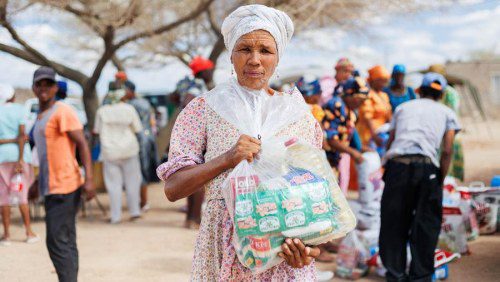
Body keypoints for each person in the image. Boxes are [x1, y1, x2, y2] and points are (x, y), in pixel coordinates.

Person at [156, 5, 322, 280]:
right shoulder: (203, 109)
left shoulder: (300, 117)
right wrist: (227, 159)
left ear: (277, 58)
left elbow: (316, 196)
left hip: (282, 253)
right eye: (245, 49)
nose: (254, 60)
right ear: (231, 54)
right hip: (224, 249)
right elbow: (173, 189)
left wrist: (308, 250)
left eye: (265, 51)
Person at [379, 72, 461, 281]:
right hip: (426, 169)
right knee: (425, 224)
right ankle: (420, 276)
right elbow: (448, 150)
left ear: (419, 90)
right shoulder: (447, 112)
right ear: (441, 94)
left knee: (393, 221)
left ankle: (395, 274)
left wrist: (385, 166)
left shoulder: (403, 108)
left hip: (398, 166)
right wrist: (439, 179)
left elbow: (392, 140)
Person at [31, 66, 95, 282]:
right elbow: (47, 153)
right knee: (66, 240)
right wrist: (38, 181)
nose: (43, 88)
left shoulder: (63, 111)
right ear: (33, 87)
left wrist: (90, 179)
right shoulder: (41, 116)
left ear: (55, 87)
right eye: (39, 84)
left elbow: (83, 145)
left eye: (48, 84)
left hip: (65, 186)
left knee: (56, 242)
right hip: (51, 185)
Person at [174, 56, 215, 228]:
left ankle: (190, 218)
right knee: (199, 177)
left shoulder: (191, 84)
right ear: (202, 71)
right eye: (209, 69)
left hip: (190, 135)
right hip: (197, 135)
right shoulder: (196, 86)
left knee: (193, 173)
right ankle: (195, 219)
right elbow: (187, 102)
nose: (211, 72)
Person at [94, 89, 142, 224]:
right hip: (129, 149)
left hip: (110, 151)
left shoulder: (102, 110)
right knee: (133, 182)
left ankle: (116, 216)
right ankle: (135, 212)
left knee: (113, 185)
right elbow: (137, 129)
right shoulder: (129, 108)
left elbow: (96, 131)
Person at [0, 83, 38, 246]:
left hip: (2, 157)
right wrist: (20, 159)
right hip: (19, 158)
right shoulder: (20, 109)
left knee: (4, 196)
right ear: (13, 96)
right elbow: (22, 136)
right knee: (21, 195)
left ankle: (6, 235)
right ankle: (29, 232)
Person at [323, 77, 369, 193]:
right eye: (360, 99)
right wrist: (353, 153)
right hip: (326, 159)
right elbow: (330, 139)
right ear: (349, 95)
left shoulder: (351, 111)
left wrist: (361, 149)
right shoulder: (335, 105)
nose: (362, 103)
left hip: (336, 158)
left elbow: (348, 136)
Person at [124, 81, 158, 212]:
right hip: (148, 138)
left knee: (139, 171)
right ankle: (143, 201)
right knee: (143, 169)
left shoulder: (130, 105)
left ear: (130, 90)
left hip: (138, 139)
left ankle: (142, 202)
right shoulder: (144, 102)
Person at [357, 65, 392, 150]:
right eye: (381, 81)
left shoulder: (384, 96)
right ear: (374, 80)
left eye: (385, 81)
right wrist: (375, 136)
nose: (384, 84)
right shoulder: (367, 95)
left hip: (382, 134)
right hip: (369, 136)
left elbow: (389, 114)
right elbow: (367, 117)